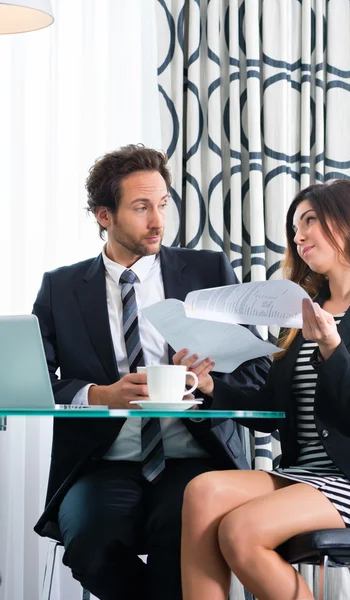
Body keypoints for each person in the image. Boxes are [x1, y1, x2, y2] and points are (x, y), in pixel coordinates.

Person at [32, 144, 270, 600]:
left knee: (180, 542)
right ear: (105, 215)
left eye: (162, 204)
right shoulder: (61, 288)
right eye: (142, 208)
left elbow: (258, 368)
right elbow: (35, 381)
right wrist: (100, 395)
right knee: (90, 545)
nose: (158, 220)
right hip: (103, 463)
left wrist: (208, 383)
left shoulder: (207, 270)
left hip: (194, 460)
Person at [174, 180, 350, 600]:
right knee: (202, 492)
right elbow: (271, 405)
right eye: (295, 227)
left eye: (310, 220)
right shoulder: (301, 311)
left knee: (240, 530)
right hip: (307, 475)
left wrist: (332, 347)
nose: (298, 237)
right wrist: (209, 386)